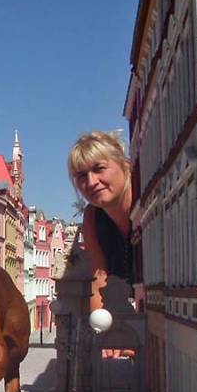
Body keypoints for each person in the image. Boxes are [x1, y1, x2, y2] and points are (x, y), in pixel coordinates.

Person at [68, 131, 134, 358]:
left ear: (125, 165)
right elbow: (99, 280)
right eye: (81, 176)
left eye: (99, 169)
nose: (91, 182)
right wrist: (105, 333)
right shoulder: (92, 217)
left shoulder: (146, 198)